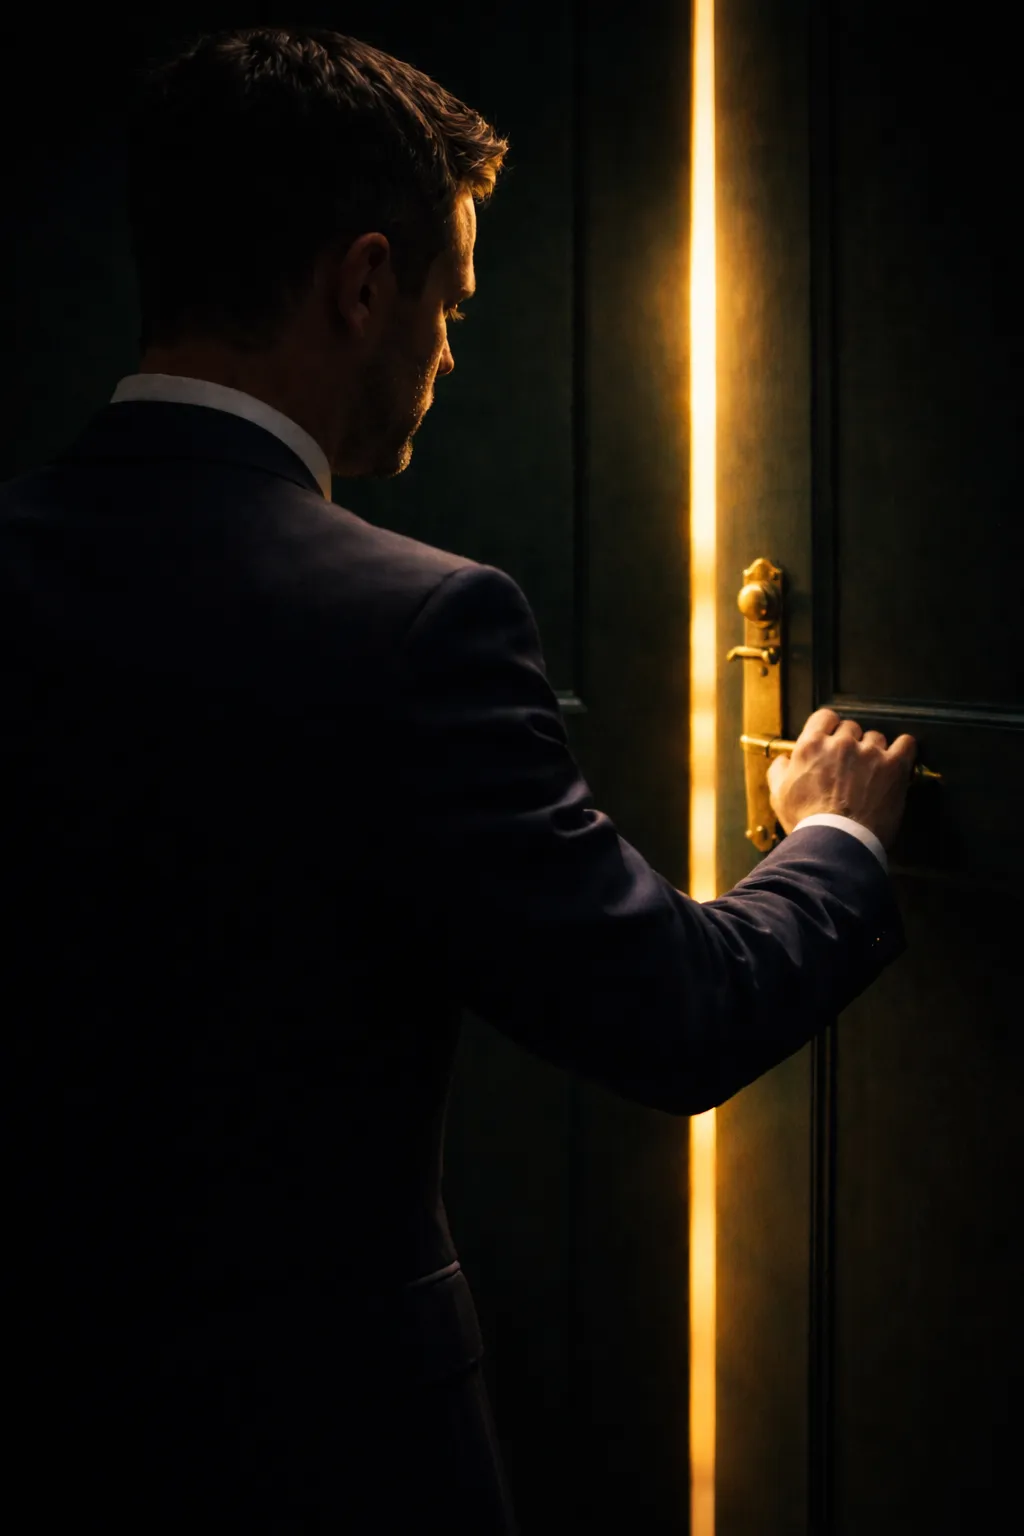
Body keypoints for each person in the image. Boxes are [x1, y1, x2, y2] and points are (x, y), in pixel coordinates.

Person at [0, 24, 917, 1534]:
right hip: (324, 1458)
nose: (443, 347)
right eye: (451, 300)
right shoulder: (422, 624)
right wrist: (836, 844)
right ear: (365, 285)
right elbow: (673, 1011)